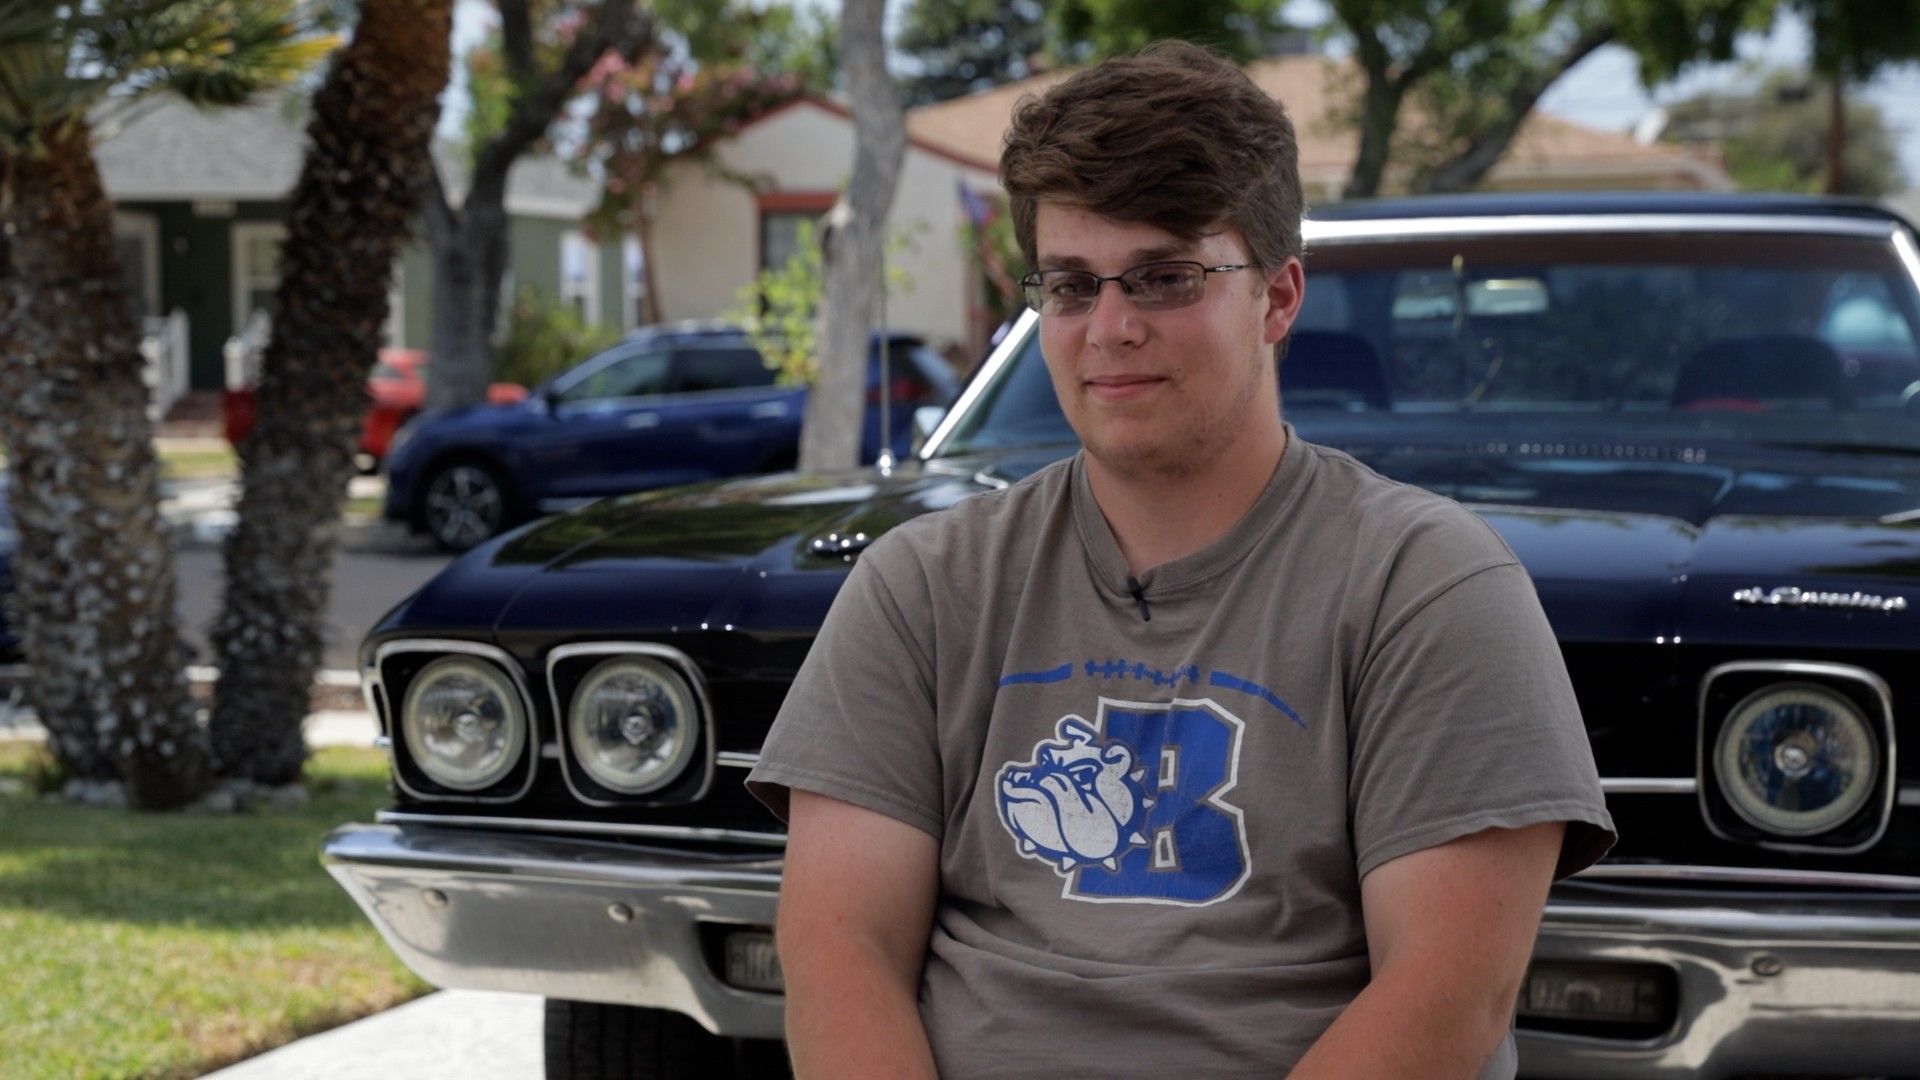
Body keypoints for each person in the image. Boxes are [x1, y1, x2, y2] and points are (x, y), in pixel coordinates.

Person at [747, 40, 1614, 1080]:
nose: (1109, 328)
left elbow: (1446, 1000)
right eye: (1070, 286)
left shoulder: (1427, 589)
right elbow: (840, 949)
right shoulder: (924, 588)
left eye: (1164, 277)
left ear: (1279, 298)